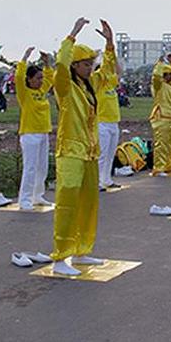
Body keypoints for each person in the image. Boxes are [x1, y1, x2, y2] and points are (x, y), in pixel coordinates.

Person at [50, 17, 116, 276]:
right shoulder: (65, 88)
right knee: (67, 203)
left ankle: (82, 250)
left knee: (89, 203)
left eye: (91, 64)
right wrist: (72, 35)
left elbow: (108, 72)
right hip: (70, 152)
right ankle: (59, 257)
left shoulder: (91, 86)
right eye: (86, 64)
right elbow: (60, 66)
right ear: (75, 65)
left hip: (90, 151)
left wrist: (110, 44)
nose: (90, 68)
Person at [14, 47, 54, 210]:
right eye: (37, 78)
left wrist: (46, 63)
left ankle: (38, 195)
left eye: (41, 78)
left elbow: (50, 78)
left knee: (42, 167)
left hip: (43, 132)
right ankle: (24, 199)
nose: (40, 81)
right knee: (30, 168)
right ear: (29, 79)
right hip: (30, 134)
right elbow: (18, 76)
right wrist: (25, 58)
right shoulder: (24, 93)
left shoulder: (42, 91)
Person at [96, 37, 123, 191]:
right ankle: (99, 181)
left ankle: (107, 179)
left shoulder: (111, 82)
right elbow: (106, 67)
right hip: (102, 123)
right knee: (102, 154)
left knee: (110, 154)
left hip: (114, 122)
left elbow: (119, 71)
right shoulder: (98, 83)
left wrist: (115, 57)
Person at [149, 54, 171, 176]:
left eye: (170, 74)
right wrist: (160, 65)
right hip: (161, 118)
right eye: (167, 74)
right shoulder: (159, 86)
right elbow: (155, 77)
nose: (170, 76)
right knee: (161, 144)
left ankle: (169, 165)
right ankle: (159, 167)